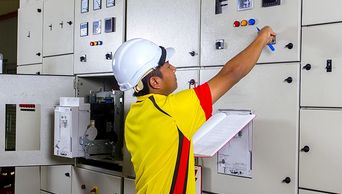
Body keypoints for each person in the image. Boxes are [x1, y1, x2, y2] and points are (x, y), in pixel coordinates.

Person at [112, 26, 276, 194]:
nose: (174, 68)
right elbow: (232, 73)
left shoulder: (134, 114)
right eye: (167, 65)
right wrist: (261, 39)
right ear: (155, 82)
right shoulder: (171, 109)